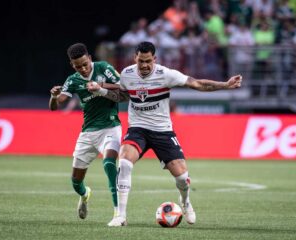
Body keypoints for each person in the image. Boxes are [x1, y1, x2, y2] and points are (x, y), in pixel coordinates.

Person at [87, 41, 242, 227]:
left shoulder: (166, 74)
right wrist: (102, 90)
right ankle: (120, 216)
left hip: (163, 131)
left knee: (182, 178)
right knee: (125, 161)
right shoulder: (127, 74)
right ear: (135, 58)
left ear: (155, 59)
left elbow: (197, 83)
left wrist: (225, 85)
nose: (144, 65)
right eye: (140, 61)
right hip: (137, 129)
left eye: (148, 61)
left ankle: (185, 202)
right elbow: (123, 96)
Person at [49, 43, 122, 224]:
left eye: (84, 64)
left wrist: (100, 86)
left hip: (110, 127)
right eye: (77, 66)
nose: (82, 68)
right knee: (75, 182)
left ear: (89, 58)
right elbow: (56, 105)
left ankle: (118, 214)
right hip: (88, 133)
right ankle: (85, 194)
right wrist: (54, 96)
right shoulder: (73, 80)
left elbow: (122, 86)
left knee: (109, 164)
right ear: (72, 65)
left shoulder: (103, 68)